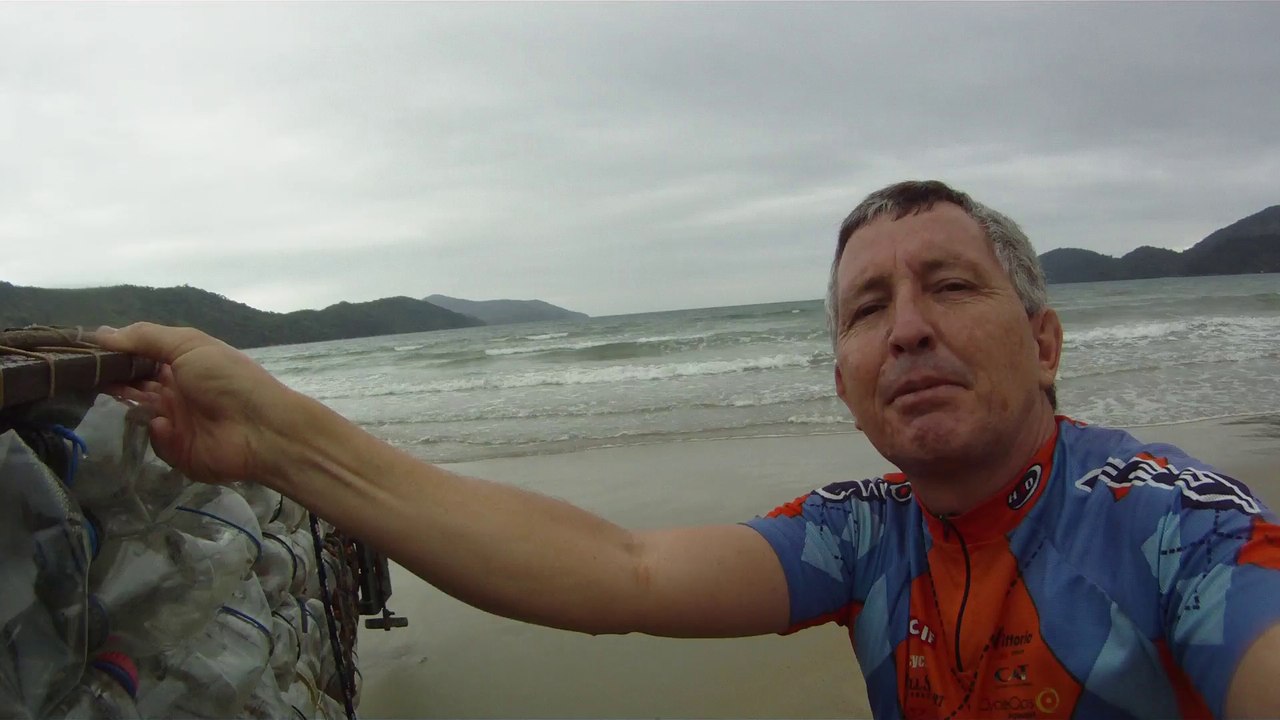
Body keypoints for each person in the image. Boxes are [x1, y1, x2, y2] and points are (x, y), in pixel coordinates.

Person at [95, 180, 1280, 718]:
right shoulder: (866, 533)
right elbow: (620, 573)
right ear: (843, 381)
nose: (906, 325)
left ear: (1043, 336)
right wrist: (275, 436)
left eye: (947, 286)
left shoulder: (1169, 520)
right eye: (867, 310)